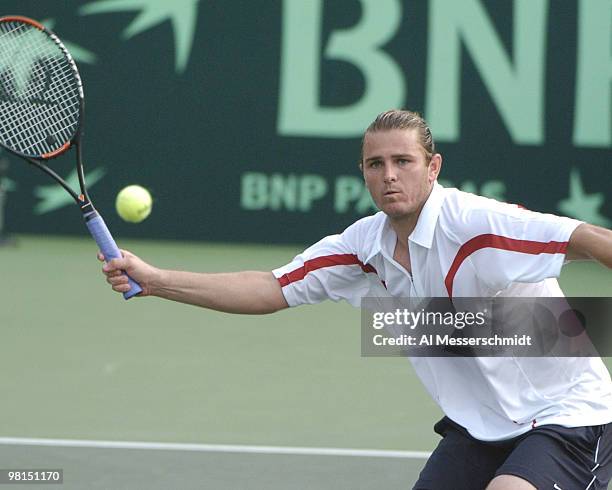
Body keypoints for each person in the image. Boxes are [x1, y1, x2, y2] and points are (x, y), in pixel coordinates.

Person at [100, 110, 612, 490]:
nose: (389, 175)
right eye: (376, 164)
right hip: (483, 425)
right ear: (363, 172)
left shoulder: (479, 225)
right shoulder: (363, 246)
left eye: (403, 161)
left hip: (568, 414)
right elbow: (272, 288)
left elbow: (588, 238)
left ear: (432, 167)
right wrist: (155, 280)